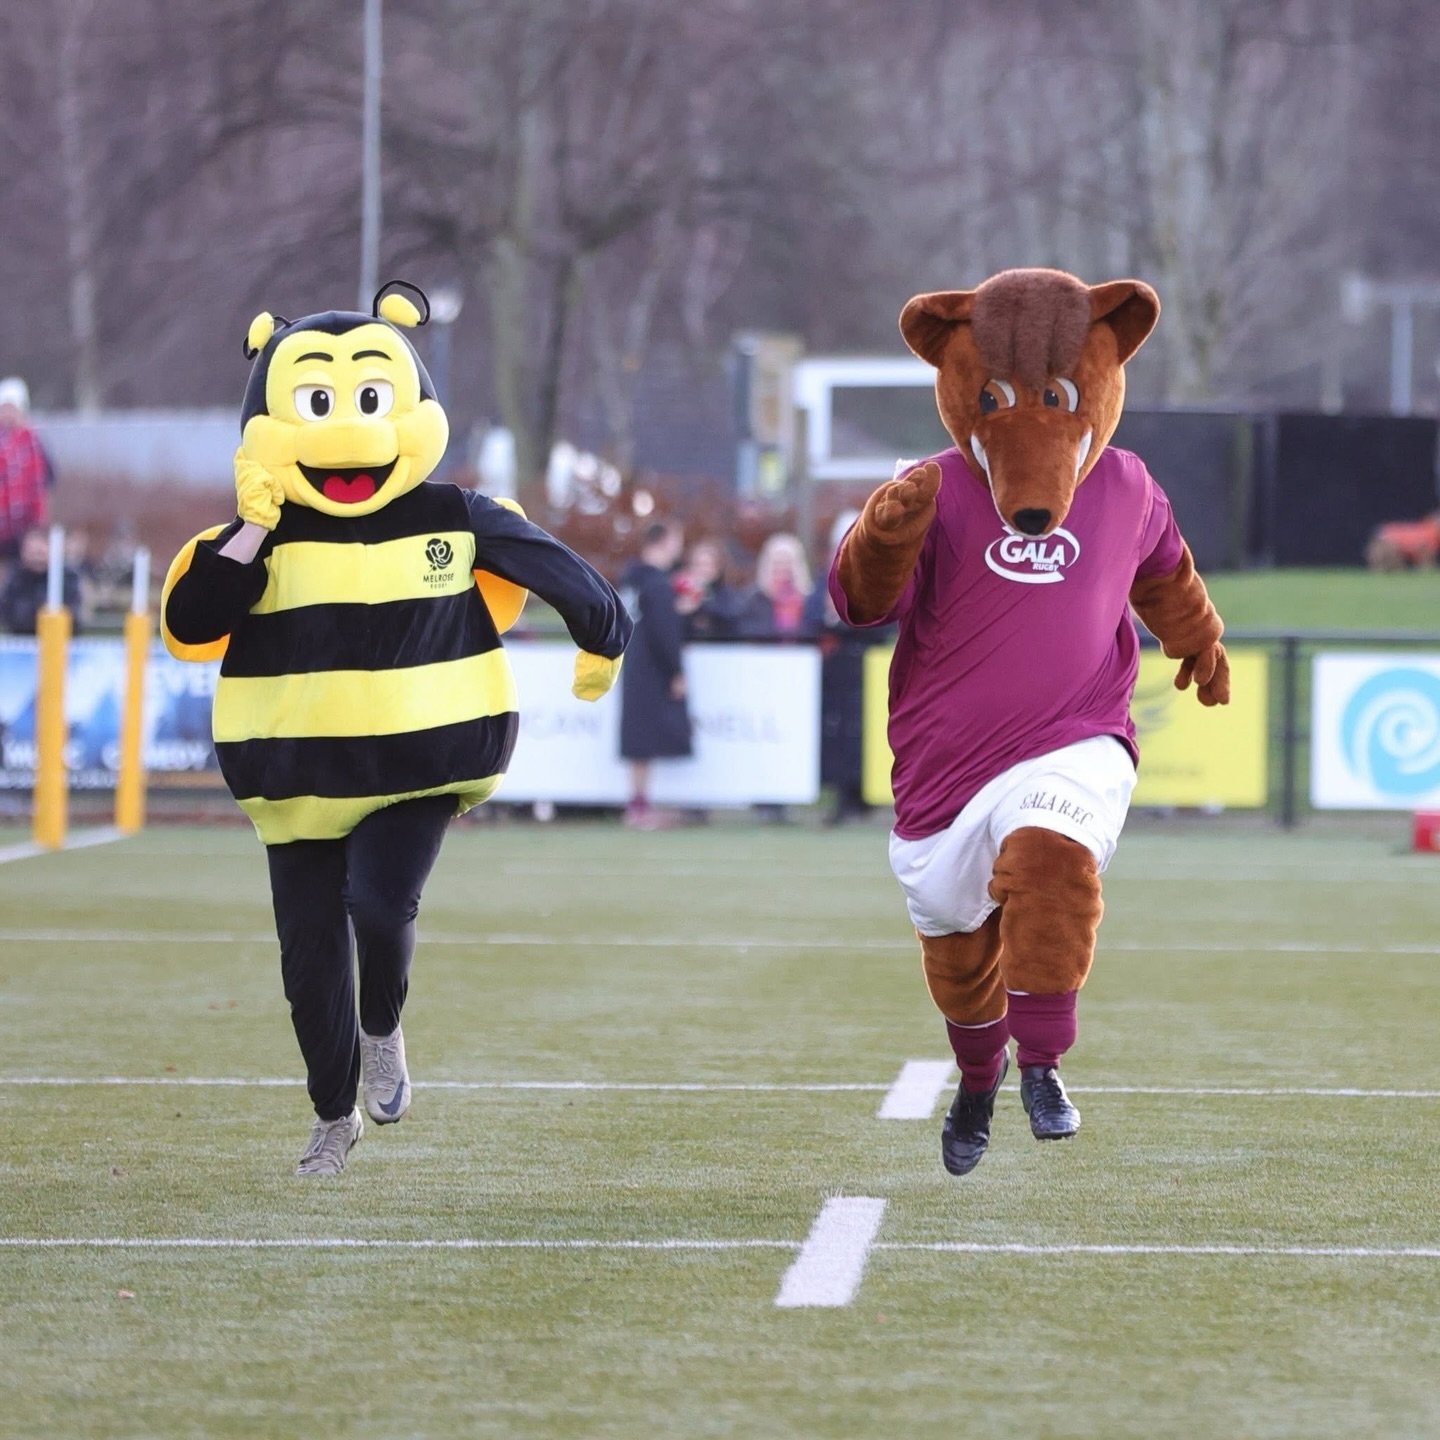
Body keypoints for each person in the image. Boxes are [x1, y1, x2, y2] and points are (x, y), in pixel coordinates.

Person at [162, 283, 631, 1177]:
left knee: (378, 905)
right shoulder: (261, 533)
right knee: (307, 964)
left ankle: (384, 1027)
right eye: (317, 403)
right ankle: (332, 1118)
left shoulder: (450, 514)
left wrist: (603, 635)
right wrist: (253, 530)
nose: (346, 432)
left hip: (421, 763)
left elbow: (557, 567)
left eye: (369, 400)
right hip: (296, 783)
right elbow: (191, 622)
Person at [804, 509, 882, 824]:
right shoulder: (827, 576)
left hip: (866, 668)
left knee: (864, 732)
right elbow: (813, 615)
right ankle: (841, 797)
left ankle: (861, 796)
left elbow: (883, 621)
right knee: (838, 733)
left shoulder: (877, 573)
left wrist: (842, 622)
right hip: (836, 668)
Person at [618, 520, 691, 828]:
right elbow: (664, 631)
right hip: (653, 670)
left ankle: (638, 803)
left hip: (632, 664)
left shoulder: (630, 580)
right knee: (646, 740)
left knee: (638, 740)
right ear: (663, 541)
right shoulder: (658, 585)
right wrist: (675, 671)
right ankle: (639, 808)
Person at [0, 378, 53, 566]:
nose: (8, 414)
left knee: (20, 566)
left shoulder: (31, 440)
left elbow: (47, 477)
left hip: (24, 522)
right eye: (4, 408)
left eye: (12, 408)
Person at [0, 525, 81, 634]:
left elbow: (72, 614)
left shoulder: (68, 577)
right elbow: (9, 613)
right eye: (32, 552)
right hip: (22, 640)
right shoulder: (15, 576)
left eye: (40, 553)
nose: (37, 558)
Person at [737, 532, 813, 639]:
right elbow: (748, 631)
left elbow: (813, 631)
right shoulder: (754, 599)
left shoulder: (808, 600)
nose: (782, 567)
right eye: (777, 562)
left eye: (787, 562)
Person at [674, 536, 741, 640]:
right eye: (698, 565)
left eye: (708, 565)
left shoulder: (728, 595)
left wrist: (701, 600)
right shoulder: (680, 595)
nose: (703, 570)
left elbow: (731, 621)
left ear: (718, 568)